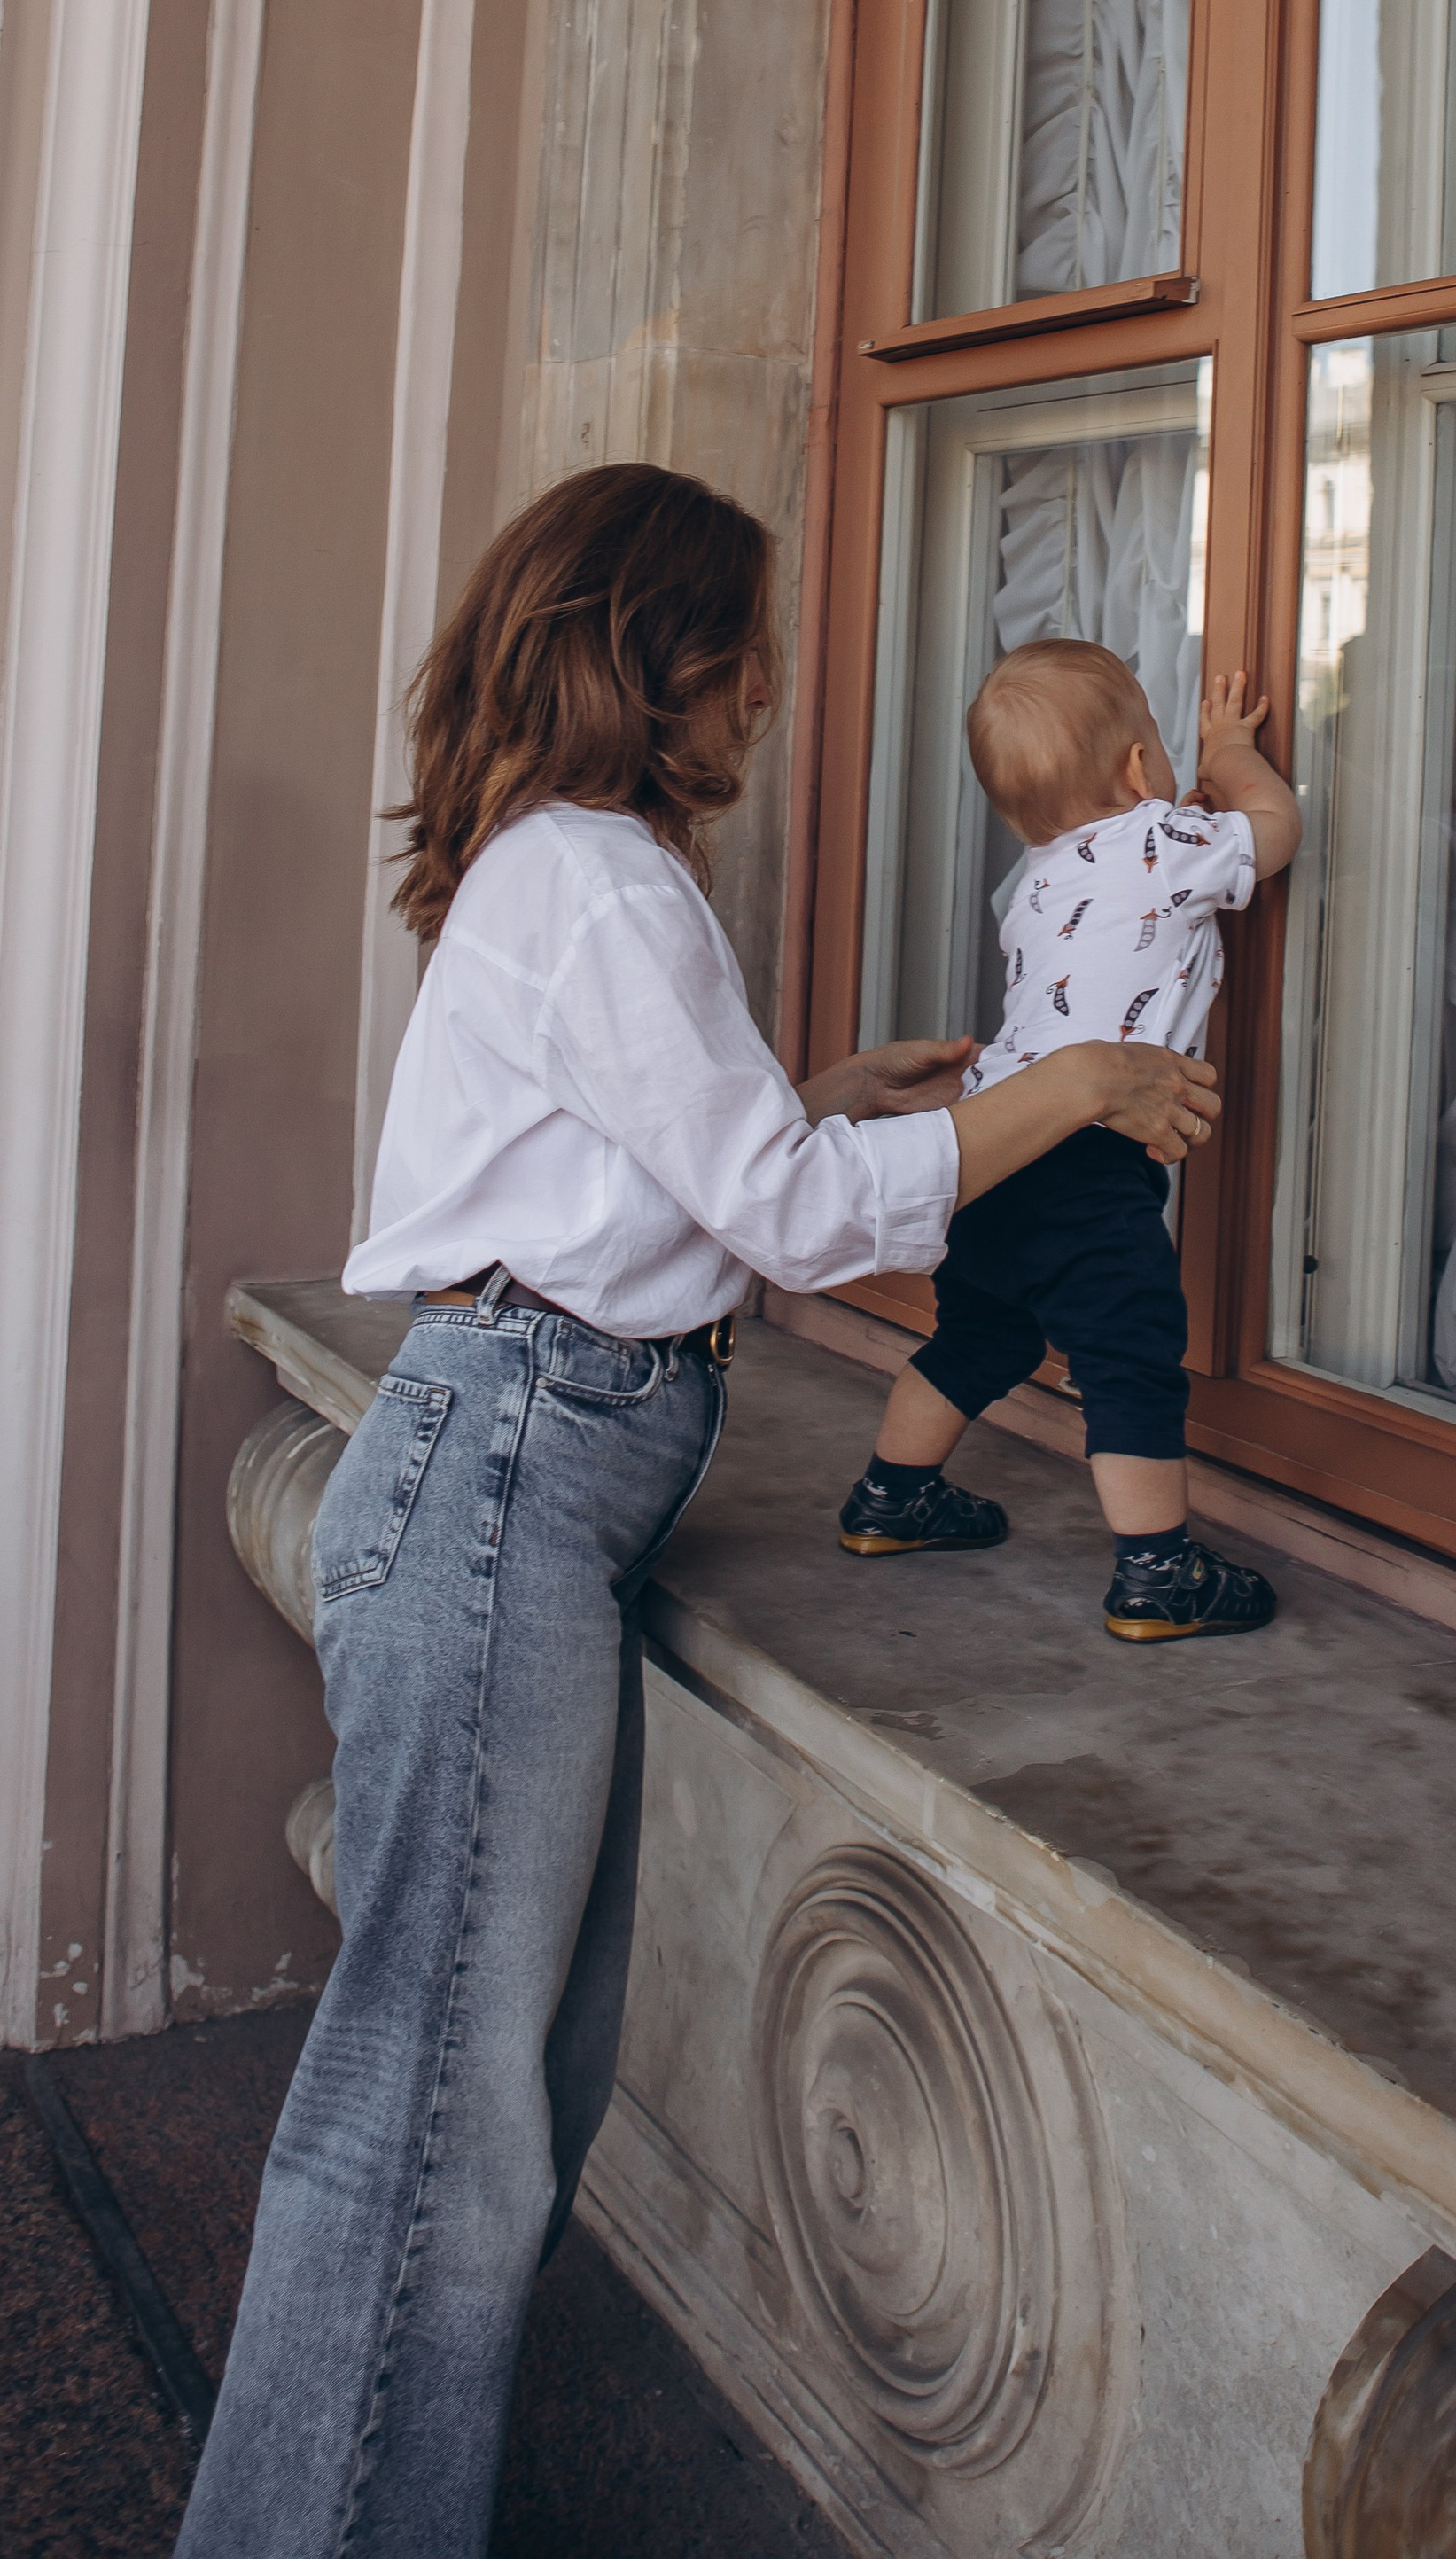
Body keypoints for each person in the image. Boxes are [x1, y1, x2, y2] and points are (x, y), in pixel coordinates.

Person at [175, 466, 1217, 2559]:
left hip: (518, 1471)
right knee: (432, 2139)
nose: (770, 683)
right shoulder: (601, 881)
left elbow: (677, 1162)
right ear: (668, 662)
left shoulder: (571, 870)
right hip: (504, 1479)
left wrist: (825, 1088)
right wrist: (1079, 1080)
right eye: (748, 643)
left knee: (490, 2102)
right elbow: (791, 1221)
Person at [835, 640, 1301, 1640]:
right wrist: (1228, 754)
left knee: (976, 1333)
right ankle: (1157, 1571)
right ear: (1139, 770)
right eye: (1163, 750)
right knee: (1129, 1356)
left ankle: (889, 1500)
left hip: (992, 1144)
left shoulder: (1035, 884)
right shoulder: (1160, 838)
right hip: (1085, 1155)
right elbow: (1274, 830)